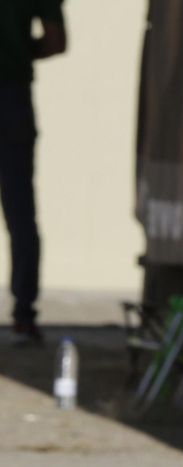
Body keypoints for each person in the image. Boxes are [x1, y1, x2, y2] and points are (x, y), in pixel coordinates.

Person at [1, 0, 65, 345]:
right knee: (20, 212)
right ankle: (24, 314)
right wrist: (19, 53)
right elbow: (56, 41)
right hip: (13, 98)